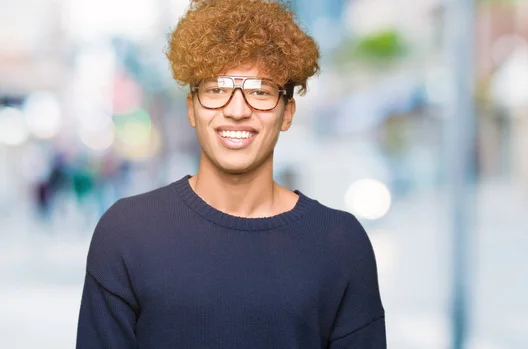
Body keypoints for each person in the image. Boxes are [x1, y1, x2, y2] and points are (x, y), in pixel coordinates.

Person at [75, 0, 386, 348]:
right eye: (217, 90)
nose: (237, 110)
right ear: (192, 108)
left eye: (260, 92)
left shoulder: (341, 244)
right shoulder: (126, 233)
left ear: (287, 112)